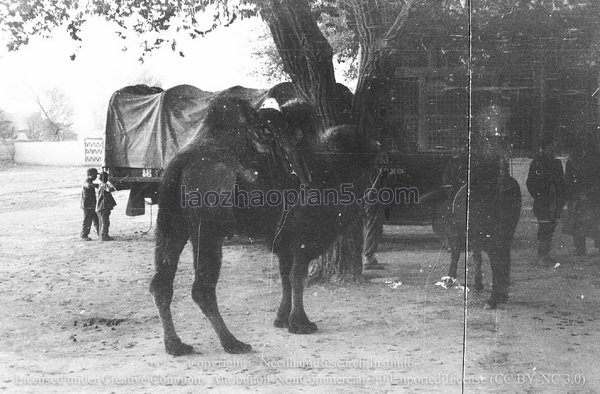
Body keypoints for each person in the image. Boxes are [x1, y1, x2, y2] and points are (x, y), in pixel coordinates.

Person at [526, 133, 566, 265]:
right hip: (542, 202)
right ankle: (543, 254)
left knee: (550, 228)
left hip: (554, 202)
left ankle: (544, 253)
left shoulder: (557, 163)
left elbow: (561, 182)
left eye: (554, 146)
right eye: (551, 146)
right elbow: (530, 182)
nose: (553, 149)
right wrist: (537, 195)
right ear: (544, 148)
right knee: (544, 227)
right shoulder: (537, 163)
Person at [563, 131, 600, 256]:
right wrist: (573, 191)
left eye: (586, 139)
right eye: (581, 139)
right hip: (577, 194)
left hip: (592, 195)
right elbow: (568, 176)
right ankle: (579, 247)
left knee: (595, 222)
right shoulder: (574, 157)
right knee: (577, 223)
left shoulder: (596, 156)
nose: (583, 141)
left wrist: (592, 191)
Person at [362, 166, 385, 270]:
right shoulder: (374, 168)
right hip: (371, 200)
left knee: (371, 226)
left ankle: (370, 256)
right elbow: (375, 186)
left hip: (367, 198)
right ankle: (368, 256)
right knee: (372, 227)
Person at [96, 172, 117, 241]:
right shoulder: (104, 185)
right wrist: (114, 184)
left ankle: (101, 235)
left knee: (102, 222)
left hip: (101, 207)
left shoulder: (100, 185)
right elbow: (111, 189)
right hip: (103, 206)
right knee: (105, 222)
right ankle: (104, 236)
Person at [80, 168, 99, 241]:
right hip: (87, 205)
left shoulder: (90, 181)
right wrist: (95, 185)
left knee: (96, 219)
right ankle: (84, 235)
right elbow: (88, 185)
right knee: (87, 220)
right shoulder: (86, 181)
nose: (96, 177)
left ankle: (100, 233)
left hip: (91, 204)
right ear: (89, 175)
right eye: (95, 175)